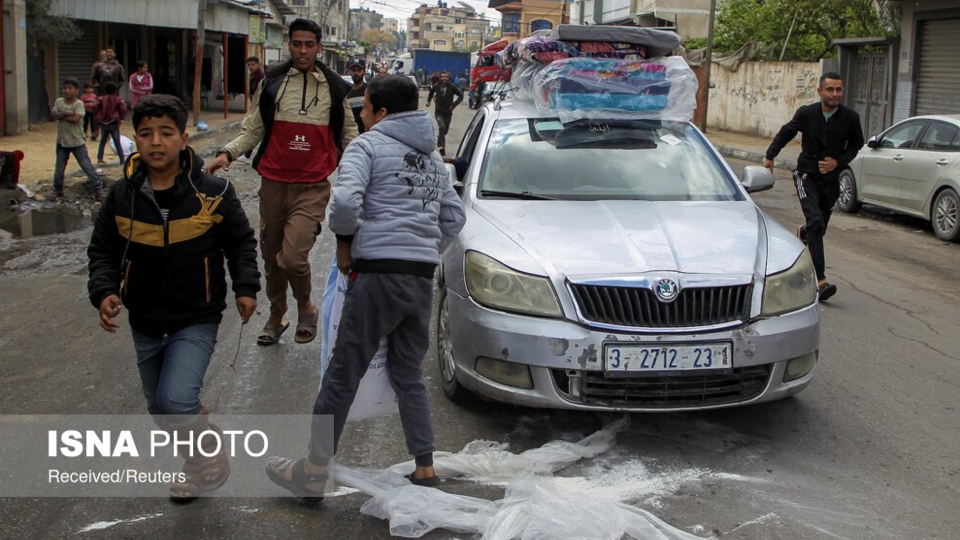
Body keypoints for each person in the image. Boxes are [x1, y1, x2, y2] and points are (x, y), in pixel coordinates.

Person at [264, 75, 467, 499]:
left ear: (383, 113)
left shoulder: (367, 146)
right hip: (418, 282)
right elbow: (453, 218)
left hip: (376, 277)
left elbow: (343, 203)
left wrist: (344, 245)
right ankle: (425, 467)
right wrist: (422, 252)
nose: (362, 113)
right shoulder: (434, 160)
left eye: (367, 107)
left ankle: (314, 470)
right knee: (408, 374)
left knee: (343, 373)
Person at [88, 94, 260, 503]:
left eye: (166, 133)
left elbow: (240, 243)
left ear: (184, 139)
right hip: (144, 317)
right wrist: (105, 291)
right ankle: (196, 464)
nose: (156, 142)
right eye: (146, 134)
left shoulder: (213, 191)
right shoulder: (121, 196)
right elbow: (102, 251)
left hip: (196, 314)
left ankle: (205, 452)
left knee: (176, 399)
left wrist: (246, 288)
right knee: (160, 409)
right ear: (135, 140)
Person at [205, 18, 359, 347]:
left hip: (313, 186)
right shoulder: (273, 82)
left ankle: (306, 307)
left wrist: (361, 169)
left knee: (292, 258)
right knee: (271, 258)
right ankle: (277, 315)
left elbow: (349, 135)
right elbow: (254, 128)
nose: (303, 50)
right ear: (289, 45)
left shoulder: (334, 88)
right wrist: (226, 155)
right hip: (273, 183)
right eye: (297, 44)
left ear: (319, 48)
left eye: (309, 45)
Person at [764, 72, 864, 303]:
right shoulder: (807, 113)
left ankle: (805, 233)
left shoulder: (850, 118)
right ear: (819, 91)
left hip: (831, 180)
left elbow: (857, 144)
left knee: (819, 226)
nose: (835, 94)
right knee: (816, 222)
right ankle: (820, 280)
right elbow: (787, 131)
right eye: (830, 89)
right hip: (806, 175)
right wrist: (770, 156)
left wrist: (837, 161)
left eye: (839, 89)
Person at [50, 78, 105, 200]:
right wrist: (67, 113)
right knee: (59, 168)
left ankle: (99, 188)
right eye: (65, 88)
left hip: (77, 141)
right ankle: (57, 190)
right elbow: (53, 115)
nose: (66, 91)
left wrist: (62, 115)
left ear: (76, 90)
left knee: (86, 166)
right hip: (62, 142)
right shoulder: (59, 101)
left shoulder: (79, 104)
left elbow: (76, 119)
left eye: (70, 88)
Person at [425, 72, 463, 155]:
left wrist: (454, 105)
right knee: (441, 127)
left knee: (445, 131)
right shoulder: (436, 86)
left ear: (448, 78)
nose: (444, 78)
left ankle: (440, 138)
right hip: (438, 112)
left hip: (448, 113)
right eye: (443, 77)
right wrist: (428, 101)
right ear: (440, 78)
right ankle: (443, 148)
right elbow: (431, 92)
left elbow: (461, 96)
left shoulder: (452, 87)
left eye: (446, 77)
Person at [95, 82, 128, 165]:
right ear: (115, 90)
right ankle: (122, 160)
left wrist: (97, 116)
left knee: (103, 140)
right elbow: (123, 108)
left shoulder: (101, 99)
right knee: (117, 141)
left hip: (103, 122)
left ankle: (100, 158)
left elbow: (94, 107)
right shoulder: (118, 99)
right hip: (113, 122)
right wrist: (121, 119)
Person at [346, 59, 368, 135]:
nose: (356, 73)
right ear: (349, 72)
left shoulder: (370, 90)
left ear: (364, 72)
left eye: (359, 70)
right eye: (353, 70)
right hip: (351, 135)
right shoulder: (345, 92)